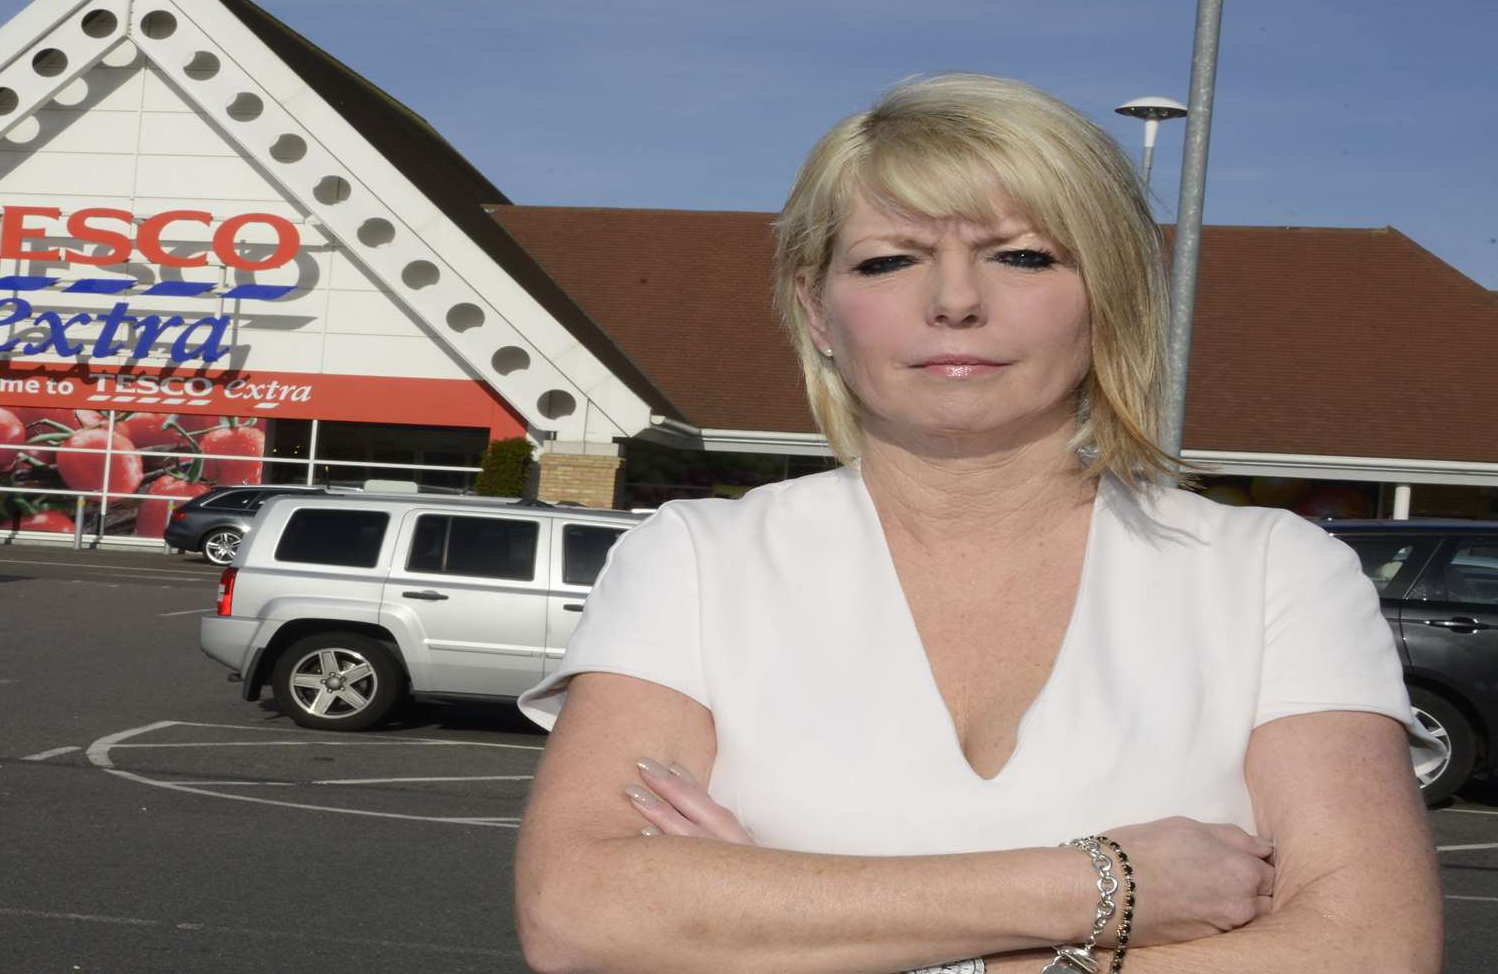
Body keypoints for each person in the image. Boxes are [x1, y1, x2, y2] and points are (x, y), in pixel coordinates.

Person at [512, 74, 1443, 974]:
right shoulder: (695, 561)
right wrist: (1104, 888)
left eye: (1022, 255)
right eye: (888, 260)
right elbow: (582, 911)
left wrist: (778, 923)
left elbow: (1369, 948)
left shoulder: (1277, 573)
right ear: (818, 310)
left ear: (1108, 292)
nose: (954, 301)